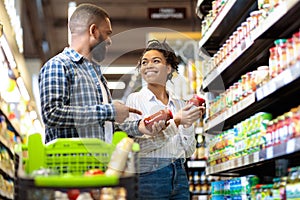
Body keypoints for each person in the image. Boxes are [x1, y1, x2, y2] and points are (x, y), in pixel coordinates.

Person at [39, 3, 143, 144]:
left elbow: (103, 127)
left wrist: (140, 127)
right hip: (71, 163)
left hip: (99, 162)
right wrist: (110, 111)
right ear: (93, 31)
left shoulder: (97, 76)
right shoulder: (59, 65)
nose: (109, 41)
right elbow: (52, 114)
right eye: (107, 33)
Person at [120, 39, 205, 200]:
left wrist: (187, 124)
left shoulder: (180, 103)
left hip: (179, 174)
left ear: (168, 68)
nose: (148, 65)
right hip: (150, 175)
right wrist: (176, 122)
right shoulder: (135, 100)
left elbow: (188, 151)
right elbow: (139, 147)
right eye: (144, 62)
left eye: (156, 61)